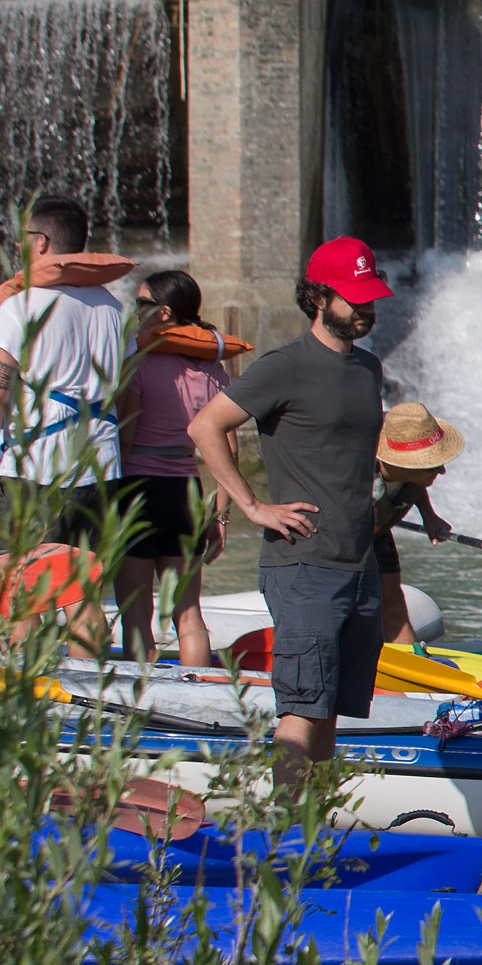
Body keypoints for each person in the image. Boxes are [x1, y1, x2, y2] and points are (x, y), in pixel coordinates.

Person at [188, 239, 396, 787]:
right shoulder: (283, 367)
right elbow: (205, 426)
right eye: (354, 299)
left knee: (327, 709)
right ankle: (282, 832)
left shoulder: (368, 368)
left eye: (370, 297)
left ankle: (311, 829)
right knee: (301, 706)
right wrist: (252, 506)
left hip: (359, 564)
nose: (365, 309)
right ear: (318, 296)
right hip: (303, 566)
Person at [0, 198, 134, 632]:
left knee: (18, 587)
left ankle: (27, 692)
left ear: (40, 243)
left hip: (36, 467)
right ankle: (85, 696)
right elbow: (129, 394)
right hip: (101, 465)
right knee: (82, 591)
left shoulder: (20, 307)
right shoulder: (115, 310)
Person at [111, 270, 238, 667]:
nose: (136, 313)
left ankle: (136, 707)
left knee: (135, 613)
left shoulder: (141, 363)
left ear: (163, 313)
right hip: (186, 491)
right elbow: (227, 450)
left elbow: (127, 436)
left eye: (141, 305)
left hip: (138, 490)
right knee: (188, 612)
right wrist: (222, 515)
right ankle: (197, 701)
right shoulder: (213, 369)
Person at [369, 400, 465, 643]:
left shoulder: (411, 472)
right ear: (402, 463)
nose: (442, 471)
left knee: (392, 598)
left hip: (378, 531)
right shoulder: (355, 472)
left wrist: (428, 515)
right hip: (339, 537)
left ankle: (410, 662)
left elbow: (415, 481)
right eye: (432, 465)